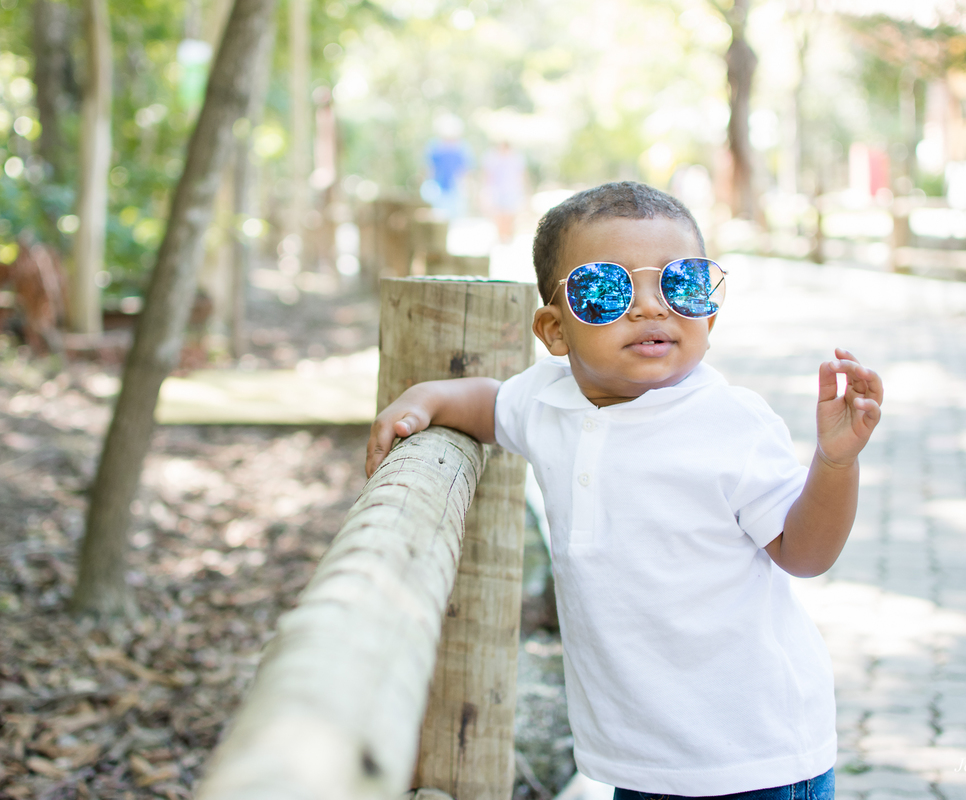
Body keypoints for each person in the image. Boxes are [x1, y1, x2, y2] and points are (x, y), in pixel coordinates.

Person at [365, 181, 883, 800]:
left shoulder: (733, 424)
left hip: (756, 756)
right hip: (638, 759)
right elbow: (489, 404)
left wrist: (833, 462)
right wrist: (424, 398)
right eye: (607, 290)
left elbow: (805, 553)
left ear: (709, 312)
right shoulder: (549, 399)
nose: (649, 308)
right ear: (555, 330)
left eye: (681, 283)